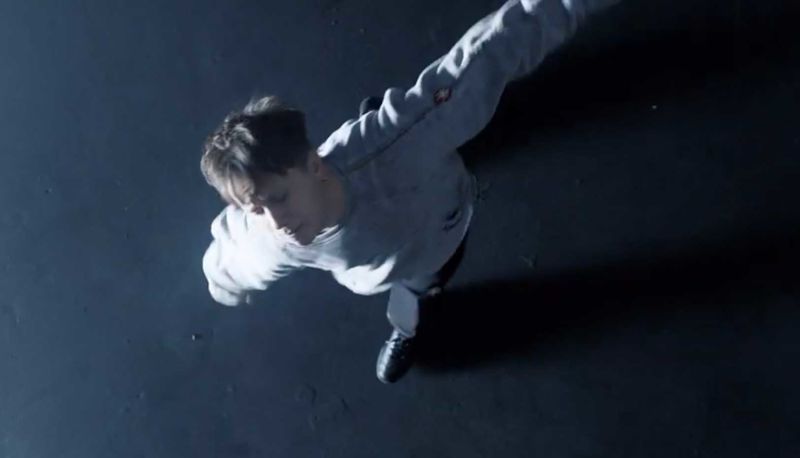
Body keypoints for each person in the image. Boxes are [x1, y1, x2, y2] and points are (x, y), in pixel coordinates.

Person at [200, 0, 620, 383]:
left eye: (279, 198)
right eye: (255, 209)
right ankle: (409, 327)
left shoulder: (402, 139)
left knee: (427, 255)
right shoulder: (270, 240)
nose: (277, 222)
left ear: (312, 165)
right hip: (391, 258)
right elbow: (235, 258)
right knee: (413, 291)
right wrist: (226, 285)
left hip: (437, 224)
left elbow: (489, 52)